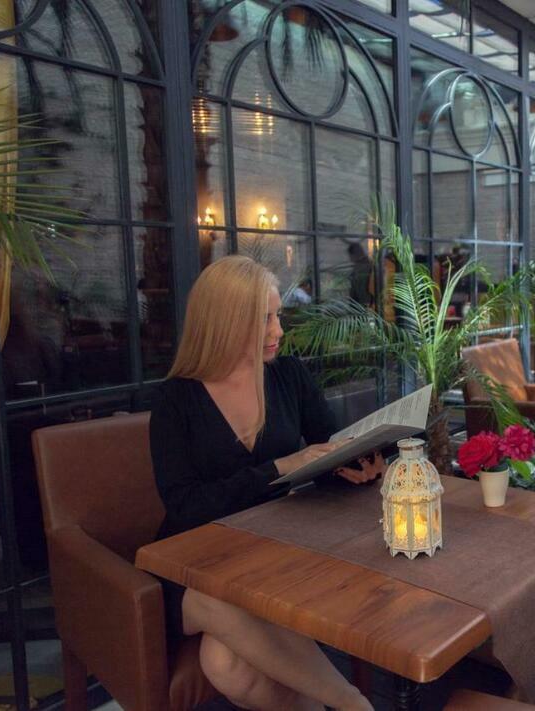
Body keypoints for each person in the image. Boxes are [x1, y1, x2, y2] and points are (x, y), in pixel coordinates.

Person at [150, 256, 383, 711]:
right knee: (210, 595)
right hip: (190, 561)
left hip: (268, 553)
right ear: (224, 322)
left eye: (277, 315)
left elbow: (327, 446)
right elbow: (185, 506)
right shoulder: (175, 400)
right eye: (264, 318)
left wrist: (354, 465)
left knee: (222, 662)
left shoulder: (288, 375)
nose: (278, 330)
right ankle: (353, 703)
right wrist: (279, 467)